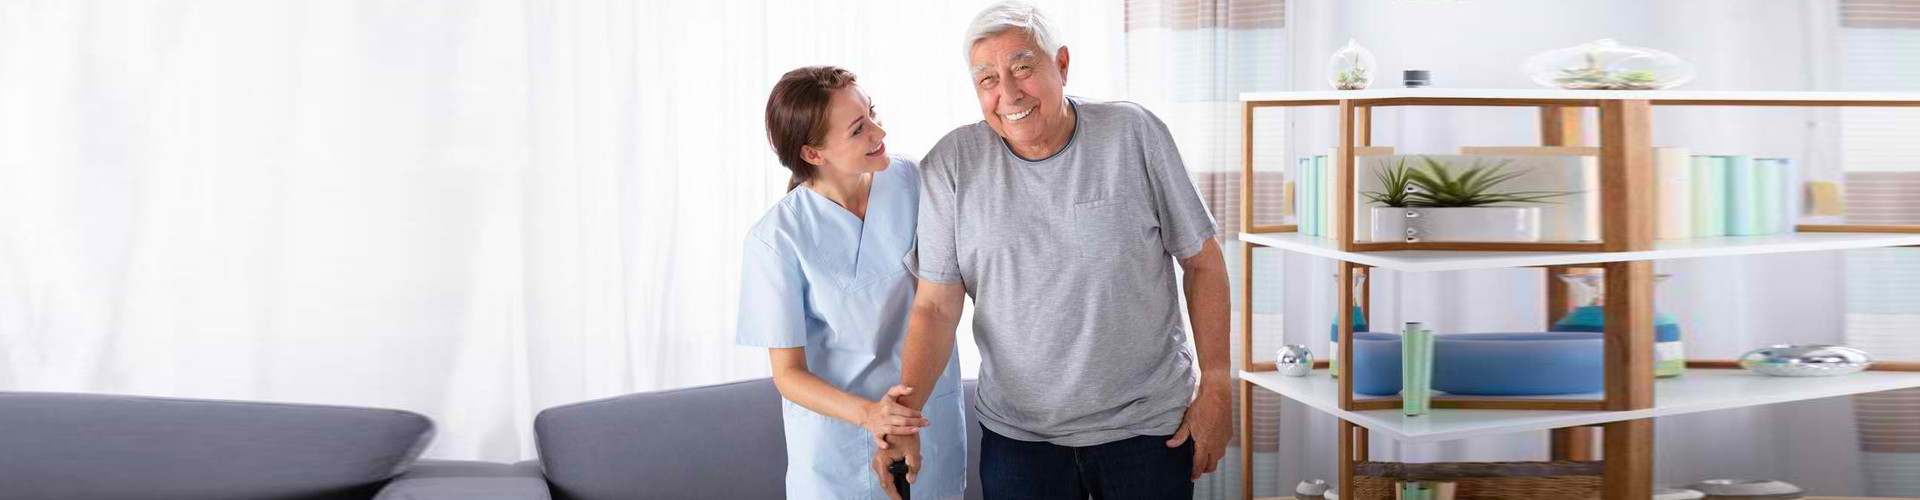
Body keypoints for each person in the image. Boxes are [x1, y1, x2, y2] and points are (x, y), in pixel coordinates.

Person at [872, 2, 1235, 498]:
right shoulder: (951, 165)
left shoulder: (1133, 133)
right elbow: (935, 307)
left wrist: (1216, 382)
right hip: (1020, 441)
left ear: (1061, 65)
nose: (1009, 93)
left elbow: (1201, 262)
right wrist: (906, 422)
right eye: (988, 80)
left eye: (1023, 68)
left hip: (1148, 430)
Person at [739, 65, 967, 500]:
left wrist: (900, 418)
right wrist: (872, 417)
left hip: (927, 429)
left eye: (873, 113)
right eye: (859, 128)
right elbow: (788, 375)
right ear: (813, 154)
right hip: (839, 451)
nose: (879, 131)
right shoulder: (776, 239)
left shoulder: (914, 182)